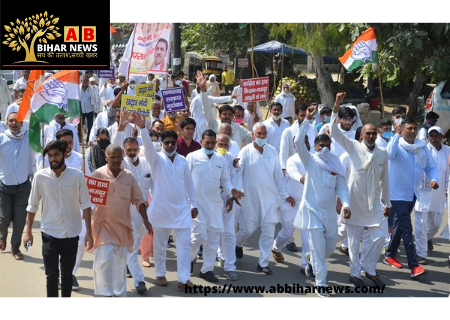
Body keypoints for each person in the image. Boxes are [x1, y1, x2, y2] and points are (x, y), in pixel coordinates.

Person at [330, 92, 390, 288]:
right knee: (353, 243)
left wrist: (387, 203)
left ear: (377, 134)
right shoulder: (354, 147)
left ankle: (369, 268)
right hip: (354, 203)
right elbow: (335, 132)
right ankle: (355, 274)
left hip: (374, 203)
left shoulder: (382, 153)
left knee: (380, 236)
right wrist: (336, 107)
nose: (371, 136)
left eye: (374, 133)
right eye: (368, 133)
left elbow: (385, 179)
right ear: (362, 134)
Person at [293, 105, 351, 297]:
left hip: (328, 214)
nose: (324, 147)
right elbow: (298, 141)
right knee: (318, 250)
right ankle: (321, 283)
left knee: (328, 249)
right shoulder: (310, 160)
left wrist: (346, 204)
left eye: (327, 144)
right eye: (320, 144)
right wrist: (307, 120)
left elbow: (342, 187)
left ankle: (310, 260)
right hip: (311, 212)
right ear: (315, 146)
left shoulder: (336, 163)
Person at [23, 140, 93, 297]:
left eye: (56, 155)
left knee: (67, 276)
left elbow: (86, 205)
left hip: (71, 233)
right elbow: (32, 206)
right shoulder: (40, 177)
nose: (53, 159)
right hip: (49, 233)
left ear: (64, 155)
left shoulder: (77, 176)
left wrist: (89, 233)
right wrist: (28, 232)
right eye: (50, 156)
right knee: (52, 275)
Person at [137, 114, 198, 290]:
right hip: (161, 210)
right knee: (160, 245)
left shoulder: (183, 161)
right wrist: (142, 128)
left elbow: (189, 185)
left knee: (185, 246)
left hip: (181, 210)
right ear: (162, 144)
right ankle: (160, 274)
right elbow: (148, 146)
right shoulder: (156, 159)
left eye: (172, 142)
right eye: (166, 143)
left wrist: (194, 205)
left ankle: (184, 279)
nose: (170, 145)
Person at [91, 144, 152, 297]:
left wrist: (146, 220)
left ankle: (119, 295)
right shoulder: (97, 174)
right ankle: (103, 294)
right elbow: (85, 201)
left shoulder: (129, 176)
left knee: (120, 265)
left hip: (122, 227)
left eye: (119, 157)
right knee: (103, 262)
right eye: (112, 157)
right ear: (106, 158)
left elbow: (139, 200)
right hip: (102, 226)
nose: (116, 160)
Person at [235, 122, 295, 275]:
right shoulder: (245, 151)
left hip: (270, 198)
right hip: (250, 198)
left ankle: (263, 263)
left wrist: (285, 195)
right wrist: (235, 192)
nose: (261, 137)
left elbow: (278, 177)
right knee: (247, 229)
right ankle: (238, 243)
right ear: (253, 135)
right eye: (258, 134)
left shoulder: (272, 151)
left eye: (263, 134)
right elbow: (238, 173)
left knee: (269, 230)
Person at [383, 118, 439, 278]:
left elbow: (431, 167)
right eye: (409, 128)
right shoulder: (396, 144)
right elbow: (388, 154)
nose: (413, 131)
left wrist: (433, 179)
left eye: (415, 128)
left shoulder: (421, 147)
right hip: (396, 195)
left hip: (413, 194)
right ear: (401, 129)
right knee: (407, 228)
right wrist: (396, 134)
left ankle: (390, 255)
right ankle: (414, 266)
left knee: (399, 226)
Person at [187, 130, 244, 282]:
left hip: (215, 205)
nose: (211, 146)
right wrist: (189, 202)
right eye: (208, 143)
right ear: (201, 142)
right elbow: (185, 180)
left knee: (213, 238)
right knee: (197, 236)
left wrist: (232, 191)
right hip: (197, 204)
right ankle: (190, 258)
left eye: (212, 143)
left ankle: (207, 270)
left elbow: (225, 180)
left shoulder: (221, 159)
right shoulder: (192, 157)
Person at [113, 112, 153, 294]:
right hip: (125, 214)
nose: (131, 153)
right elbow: (113, 147)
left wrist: (143, 127)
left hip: (144, 216)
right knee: (130, 250)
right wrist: (121, 128)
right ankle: (139, 280)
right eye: (127, 150)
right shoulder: (122, 165)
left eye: (133, 150)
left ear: (138, 149)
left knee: (132, 249)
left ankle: (130, 277)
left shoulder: (147, 163)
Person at [272, 135, 310, 273]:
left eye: (306, 142)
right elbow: (292, 174)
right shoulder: (292, 160)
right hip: (290, 202)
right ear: (295, 146)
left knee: (306, 234)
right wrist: (286, 196)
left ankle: (305, 265)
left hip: (307, 203)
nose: (305, 145)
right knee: (288, 232)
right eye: (301, 143)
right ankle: (276, 247)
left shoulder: (313, 159)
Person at [0, 112, 34, 259]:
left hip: (23, 185)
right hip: (4, 185)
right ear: (7, 123)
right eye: (11, 121)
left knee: (20, 219)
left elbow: (36, 124)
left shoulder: (29, 137)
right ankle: (2, 237)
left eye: (17, 121)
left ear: (22, 123)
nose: (14, 123)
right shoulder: (1, 139)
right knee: (4, 218)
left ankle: (16, 248)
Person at [414, 126, 450, 264]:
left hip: (440, 194)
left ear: (442, 136)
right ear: (428, 137)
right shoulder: (423, 150)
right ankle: (420, 253)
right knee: (421, 224)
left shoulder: (448, 151)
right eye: (431, 135)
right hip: (423, 192)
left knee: (436, 224)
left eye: (436, 135)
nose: (434, 138)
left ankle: (420, 241)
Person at [215, 133, 239, 277]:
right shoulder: (204, 157)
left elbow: (234, 178)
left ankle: (230, 267)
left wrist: (232, 197)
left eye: (225, 145)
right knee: (211, 233)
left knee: (229, 233)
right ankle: (211, 260)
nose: (223, 147)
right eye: (220, 144)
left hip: (227, 199)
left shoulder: (231, 158)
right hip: (209, 201)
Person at [79, 74, 100, 144]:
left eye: (86, 81)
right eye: (84, 80)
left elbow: (95, 100)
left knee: (90, 126)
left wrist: (96, 110)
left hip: (90, 110)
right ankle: (80, 139)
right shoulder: (78, 89)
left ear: (88, 81)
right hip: (81, 110)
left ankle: (88, 139)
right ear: (81, 80)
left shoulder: (91, 89)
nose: (85, 82)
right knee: (80, 125)